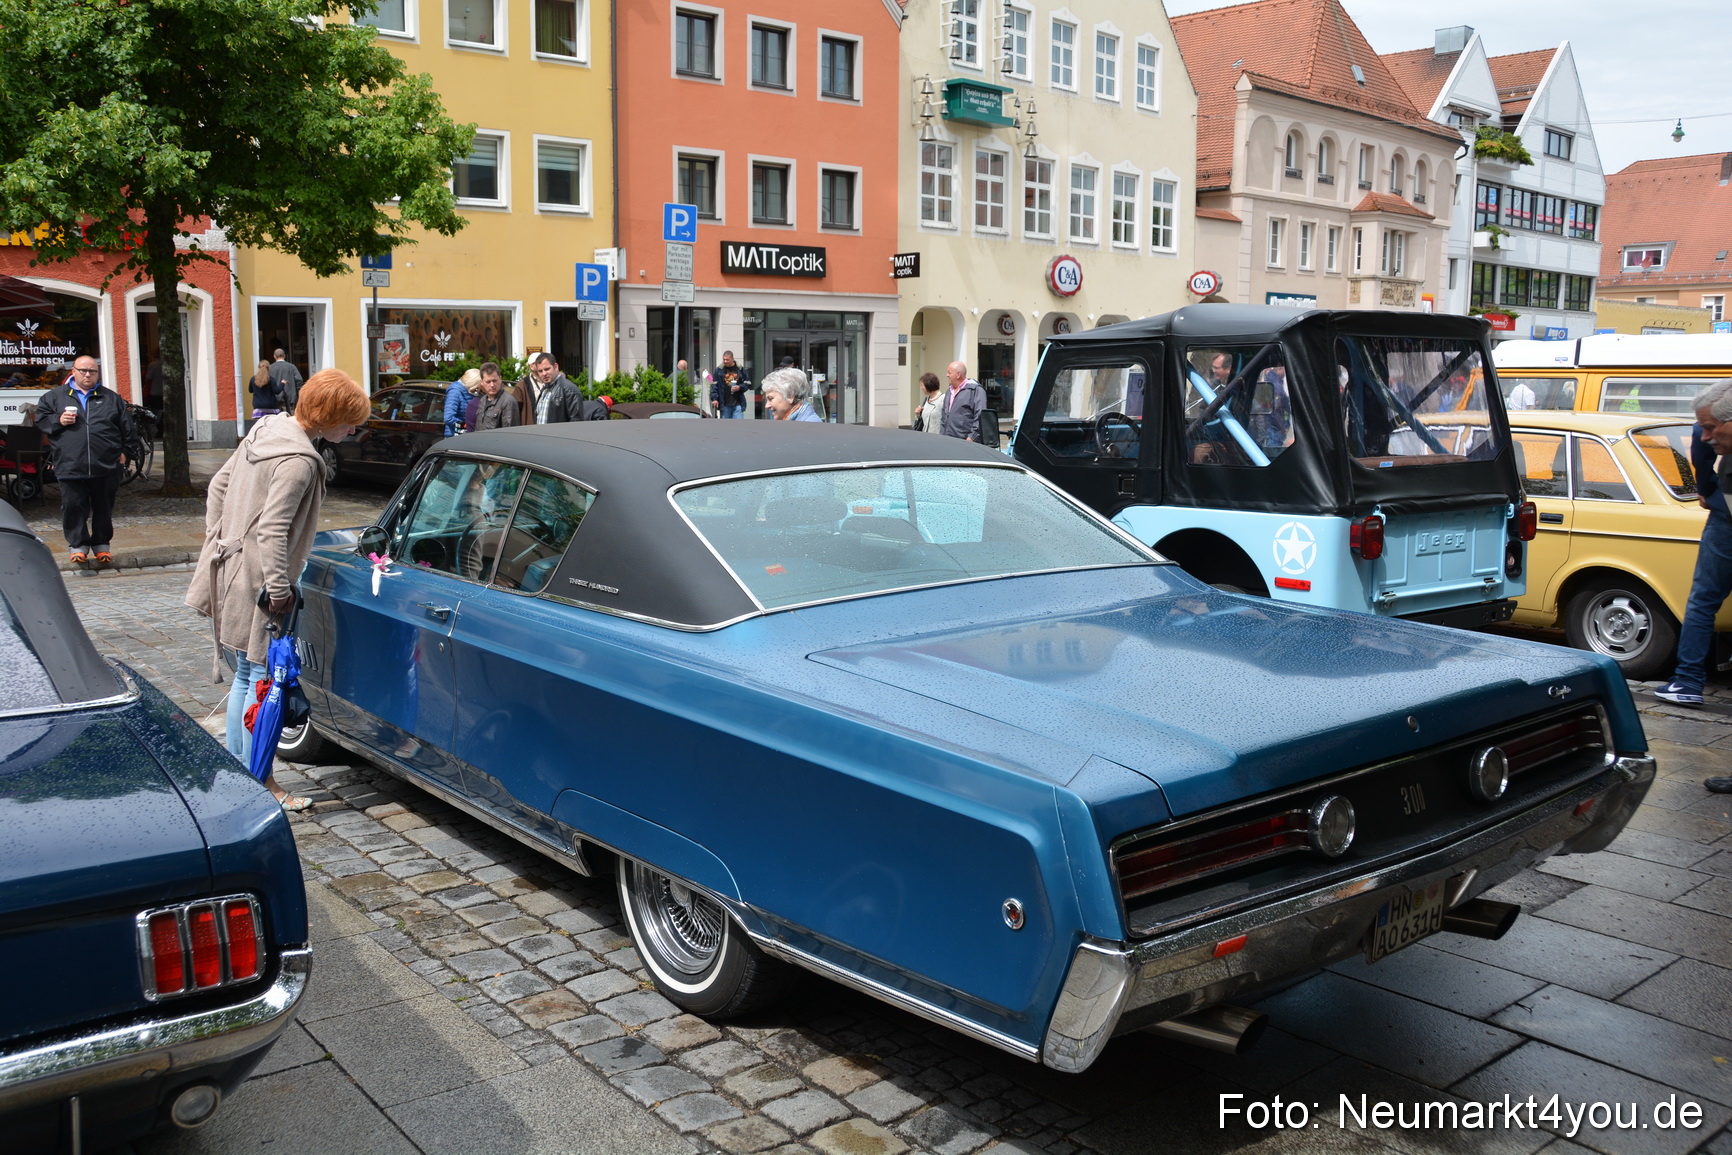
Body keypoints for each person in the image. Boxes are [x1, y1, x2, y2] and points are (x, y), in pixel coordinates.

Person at [185, 369, 369, 811]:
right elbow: (273, 529)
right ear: (328, 416)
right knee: (260, 682)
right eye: (349, 422)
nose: (352, 430)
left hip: (235, 567)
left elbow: (218, 487)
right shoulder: (300, 460)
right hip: (260, 581)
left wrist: (221, 539)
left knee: (245, 677)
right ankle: (260, 783)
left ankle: (242, 776)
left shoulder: (267, 428)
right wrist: (279, 588)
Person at [1657, 382, 1732, 778]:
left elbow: (1701, 454)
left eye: (1710, 428)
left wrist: (1707, 492)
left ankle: (1687, 681)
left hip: (1725, 519)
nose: (1704, 436)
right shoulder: (1717, 418)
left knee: (1703, 600)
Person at [33, 354, 135, 567]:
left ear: (97, 373)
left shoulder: (111, 398)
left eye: (92, 371)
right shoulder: (54, 397)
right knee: (73, 506)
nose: (87, 375)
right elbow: (40, 421)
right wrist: (58, 420)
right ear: (73, 372)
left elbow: (128, 428)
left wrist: (126, 452)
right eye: (83, 371)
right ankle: (78, 546)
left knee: (103, 507)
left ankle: (101, 545)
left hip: (105, 464)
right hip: (70, 462)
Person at [510, 352, 604, 423]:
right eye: (540, 371)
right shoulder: (545, 389)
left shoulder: (569, 389)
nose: (544, 374)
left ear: (556, 367)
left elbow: (576, 422)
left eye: (547, 369)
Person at [939, 361, 986, 440]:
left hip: (965, 442)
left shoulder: (975, 390)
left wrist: (972, 437)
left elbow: (980, 416)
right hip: (947, 440)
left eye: (949, 372)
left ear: (958, 375)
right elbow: (944, 417)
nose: (947, 375)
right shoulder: (949, 392)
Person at [471, 362, 519, 430]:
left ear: (500, 379)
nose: (492, 385)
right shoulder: (483, 400)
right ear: (482, 382)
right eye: (488, 382)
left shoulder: (508, 401)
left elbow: (509, 431)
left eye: (494, 381)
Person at [710, 351, 751, 418]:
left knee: (739, 423)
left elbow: (748, 383)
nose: (725, 361)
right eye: (724, 359)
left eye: (727, 360)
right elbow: (714, 385)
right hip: (724, 404)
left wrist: (739, 387)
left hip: (738, 404)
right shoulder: (719, 370)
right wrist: (714, 399)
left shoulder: (740, 369)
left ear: (732, 359)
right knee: (725, 424)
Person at [443, 368, 480, 437]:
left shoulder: (468, 393)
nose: (477, 390)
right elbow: (448, 418)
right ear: (472, 382)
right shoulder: (455, 392)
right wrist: (466, 427)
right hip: (454, 436)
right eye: (476, 387)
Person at [267, 348, 303, 414]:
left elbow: (266, 382)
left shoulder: (270, 368)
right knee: (289, 417)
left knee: (276, 418)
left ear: (274, 356)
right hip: (290, 397)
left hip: (275, 398)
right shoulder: (291, 367)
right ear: (284, 356)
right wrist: (297, 391)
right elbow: (299, 380)